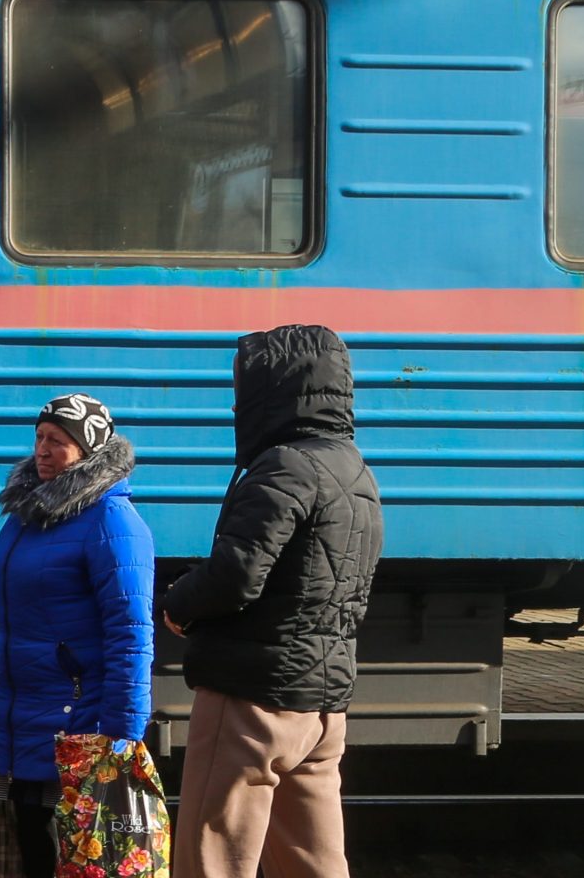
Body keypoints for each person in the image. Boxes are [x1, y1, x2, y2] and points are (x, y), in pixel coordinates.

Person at [162, 325, 383, 878]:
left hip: (253, 694)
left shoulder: (284, 465)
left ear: (272, 390)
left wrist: (178, 602)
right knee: (313, 860)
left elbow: (236, 573)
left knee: (214, 854)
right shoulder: (354, 469)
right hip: (321, 702)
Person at [0, 393, 155, 878]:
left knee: (77, 858)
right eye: (39, 437)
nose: (41, 449)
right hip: (23, 716)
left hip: (78, 723)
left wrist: (122, 738)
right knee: (33, 852)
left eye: (57, 441)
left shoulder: (112, 522)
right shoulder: (26, 516)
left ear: (88, 450)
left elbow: (131, 634)